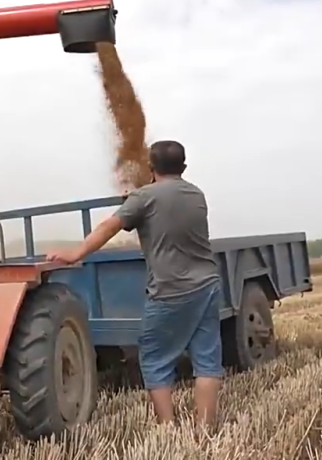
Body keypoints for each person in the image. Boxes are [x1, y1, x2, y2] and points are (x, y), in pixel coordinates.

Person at [46, 140, 223, 427]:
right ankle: (204, 430)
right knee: (207, 362)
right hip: (207, 286)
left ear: (151, 168)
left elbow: (109, 227)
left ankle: (167, 428)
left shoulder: (144, 197)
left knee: (154, 359)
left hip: (169, 290)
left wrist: (74, 253)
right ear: (184, 167)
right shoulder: (197, 194)